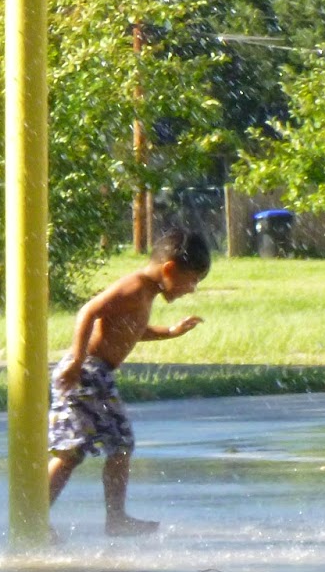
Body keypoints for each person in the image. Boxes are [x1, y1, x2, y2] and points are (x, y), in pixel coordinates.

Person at [48, 227, 209, 536]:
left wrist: (170, 332)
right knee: (83, 450)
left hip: (96, 374)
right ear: (170, 268)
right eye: (193, 281)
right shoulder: (135, 288)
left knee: (103, 449)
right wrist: (78, 360)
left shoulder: (145, 293)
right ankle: (43, 518)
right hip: (87, 373)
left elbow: (133, 329)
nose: (192, 290)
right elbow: (88, 312)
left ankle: (110, 518)